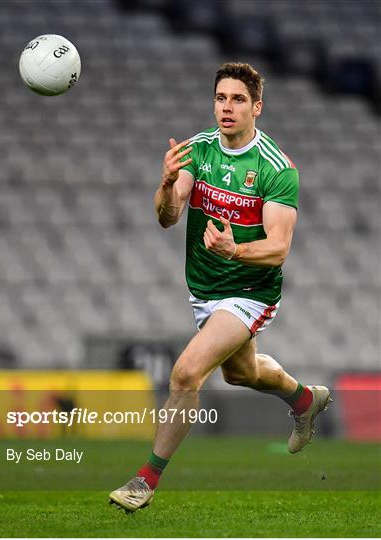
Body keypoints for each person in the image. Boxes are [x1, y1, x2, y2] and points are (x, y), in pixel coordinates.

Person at [109, 62, 332, 513]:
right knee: (240, 374)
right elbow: (168, 217)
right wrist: (167, 184)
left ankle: (144, 481)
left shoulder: (277, 168)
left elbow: (279, 248)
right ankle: (305, 400)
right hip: (204, 289)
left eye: (237, 100)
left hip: (251, 291)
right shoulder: (197, 151)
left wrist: (234, 251)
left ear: (257, 108)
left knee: (186, 373)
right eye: (220, 98)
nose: (226, 108)